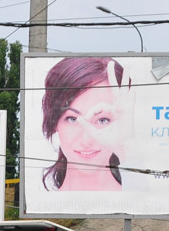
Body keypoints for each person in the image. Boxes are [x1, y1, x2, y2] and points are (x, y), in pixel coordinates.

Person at [41, 56, 132, 192]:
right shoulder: (41, 207)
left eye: (103, 120)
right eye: (72, 119)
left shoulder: (140, 203)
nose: (86, 140)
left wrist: (128, 152)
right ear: (54, 122)